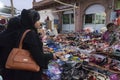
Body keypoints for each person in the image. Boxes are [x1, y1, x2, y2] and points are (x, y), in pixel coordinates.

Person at [0, 9, 62, 80]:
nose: (39, 23)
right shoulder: (30, 34)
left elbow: (26, 48)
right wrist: (52, 55)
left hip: (15, 69)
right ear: (32, 21)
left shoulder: (21, 32)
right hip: (28, 72)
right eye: (37, 20)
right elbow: (39, 58)